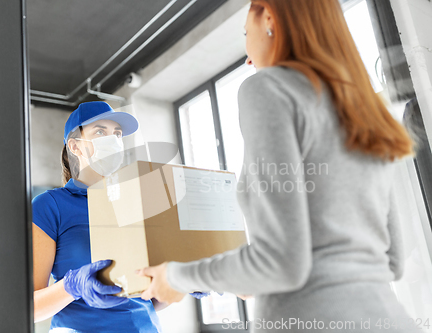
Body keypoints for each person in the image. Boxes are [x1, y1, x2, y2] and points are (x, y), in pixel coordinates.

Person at [138, 0, 421, 332]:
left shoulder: (267, 88)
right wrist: (250, 274)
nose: (247, 57)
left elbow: (281, 262)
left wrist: (176, 276)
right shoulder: (363, 109)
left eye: (247, 32)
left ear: (269, 17)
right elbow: (390, 262)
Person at [32, 101, 164, 332]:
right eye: (100, 131)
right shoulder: (50, 205)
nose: (113, 140)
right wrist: (71, 287)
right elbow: (29, 308)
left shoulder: (135, 203)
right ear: (75, 146)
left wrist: (181, 282)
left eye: (118, 134)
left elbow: (143, 299)